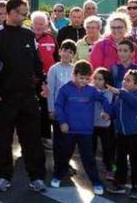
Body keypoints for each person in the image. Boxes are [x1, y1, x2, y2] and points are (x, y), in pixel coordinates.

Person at [0, 0, 47, 193]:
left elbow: (37, 62)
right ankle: (3, 177)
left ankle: (37, 177)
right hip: (5, 98)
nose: (25, 17)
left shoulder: (28, 34)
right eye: (22, 13)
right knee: (3, 139)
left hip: (28, 97)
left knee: (32, 139)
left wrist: (41, 82)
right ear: (10, 12)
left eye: (26, 13)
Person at [50, 61, 112, 195]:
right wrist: (62, 122)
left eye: (86, 78)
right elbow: (58, 106)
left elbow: (104, 99)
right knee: (63, 155)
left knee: (88, 158)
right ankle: (57, 176)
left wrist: (107, 111)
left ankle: (96, 182)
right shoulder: (65, 89)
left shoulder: (91, 90)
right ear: (74, 75)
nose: (83, 81)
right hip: (69, 130)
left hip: (86, 132)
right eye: (80, 77)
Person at [106, 70, 137, 199]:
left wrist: (121, 92)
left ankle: (135, 187)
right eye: (124, 79)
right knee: (120, 160)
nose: (124, 82)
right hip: (121, 134)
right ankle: (119, 183)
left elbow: (135, 102)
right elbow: (115, 108)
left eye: (128, 80)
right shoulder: (121, 94)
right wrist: (109, 115)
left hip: (135, 134)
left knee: (136, 161)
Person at [46, 40, 76, 156]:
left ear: (73, 55)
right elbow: (50, 90)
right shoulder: (54, 69)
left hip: (72, 110)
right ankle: (59, 164)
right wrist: (51, 109)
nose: (67, 54)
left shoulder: (75, 69)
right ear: (59, 52)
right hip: (58, 109)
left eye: (70, 52)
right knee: (59, 139)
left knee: (70, 139)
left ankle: (66, 162)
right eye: (64, 50)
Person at [32, 11, 58, 144]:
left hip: (48, 80)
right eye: (36, 23)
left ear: (46, 24)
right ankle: (31, 136)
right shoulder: (26, 37)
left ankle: (46, 136)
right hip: (31, 80)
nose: (38, 26)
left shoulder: (51, 38)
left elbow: (56, 57)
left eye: (41, 24)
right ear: (32, 23)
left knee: (46, 107)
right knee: (31, 109)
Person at [92, 68, 115, 178]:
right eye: (95, 78)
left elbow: (108, 105)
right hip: (92, 124)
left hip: (105, 125)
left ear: (106, 81)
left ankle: (110, 169)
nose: (96, 81)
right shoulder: (90, 90)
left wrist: (106, 113)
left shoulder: (109, 92)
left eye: (100, 79)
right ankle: (90, 167)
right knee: (91, 147)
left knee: (107, 148)